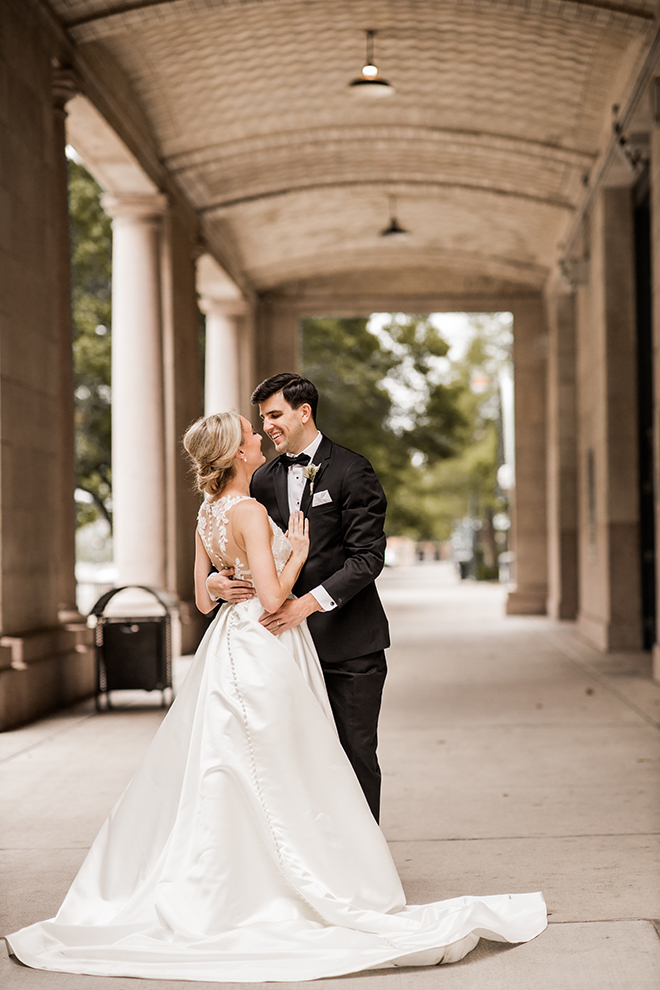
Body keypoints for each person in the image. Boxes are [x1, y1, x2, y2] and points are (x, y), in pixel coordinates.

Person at [4, 411, 546, 982]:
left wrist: (217, 579)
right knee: (288, 763)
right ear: (238, 452)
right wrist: (294, 555)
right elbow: (270, 598)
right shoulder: (250, 510)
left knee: (225, 764)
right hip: (266, 647)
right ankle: (295, 880)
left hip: (225, 648)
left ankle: (229, 881)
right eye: (250, 431)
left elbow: (202, 597)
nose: (259, 435)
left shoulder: (207, 513)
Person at [208, 373, 390, 821]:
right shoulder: (262, 478)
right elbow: (238, 542)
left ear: (303, 412)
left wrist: (305, 605)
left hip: (348, 646)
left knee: (354, 754)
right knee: (294, 763)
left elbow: (368, 557)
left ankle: (364, 870)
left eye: (274, 414)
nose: (267, 426)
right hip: (280, 653)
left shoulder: (352, 469)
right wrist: (215, 582)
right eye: (262, 418)